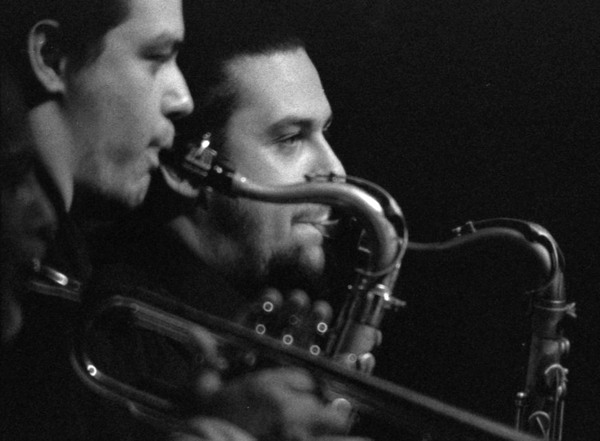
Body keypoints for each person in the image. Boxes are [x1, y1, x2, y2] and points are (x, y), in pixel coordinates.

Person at [0, 0, 194, 438]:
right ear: (52, 57)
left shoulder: (70, 260)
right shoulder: (22, 267)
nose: (184, 99)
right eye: (156, 56)